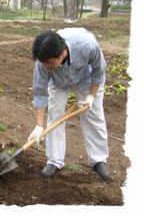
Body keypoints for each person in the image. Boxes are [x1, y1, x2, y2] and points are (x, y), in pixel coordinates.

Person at [28, 28, 111, 180]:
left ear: (62, 54)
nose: (46, 66)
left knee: (93, 114)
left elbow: (99, 71)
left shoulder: (87, 46)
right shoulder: (43, 63)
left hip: (86, 76)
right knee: (55, 113)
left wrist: (91, 96)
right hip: (59, 81)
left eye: (50, 63)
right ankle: (54, 160)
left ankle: (99, 159)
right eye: (43, 63)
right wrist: (39, 126)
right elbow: (40, 92)